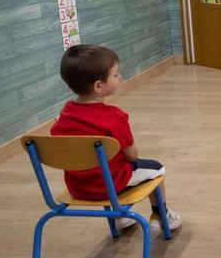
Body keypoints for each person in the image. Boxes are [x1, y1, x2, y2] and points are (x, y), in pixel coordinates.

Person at [50, 44, 182, 232]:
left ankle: (119, 218)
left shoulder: (66, 114)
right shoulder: (114, 117)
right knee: (157, 169)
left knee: (108, 166)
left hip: (77, 186)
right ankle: (162, 216)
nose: (119, 77)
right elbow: (132, 156)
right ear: (98, 86)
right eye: (115, 74)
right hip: (109, 185)